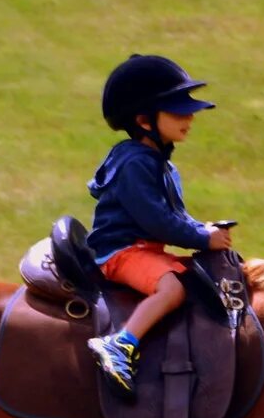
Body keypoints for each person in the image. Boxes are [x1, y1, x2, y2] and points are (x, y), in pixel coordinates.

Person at [84, 53, 235, 396]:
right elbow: (157, 221)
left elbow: (175, 217)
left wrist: (202, 228)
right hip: (121, 253)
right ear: (144, 120)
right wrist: (202, 237)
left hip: (145, 249)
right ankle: (121, 345)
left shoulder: (160, 163)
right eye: (178, 111)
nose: (190, 117)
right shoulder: (135, 164)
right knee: (172, 289)